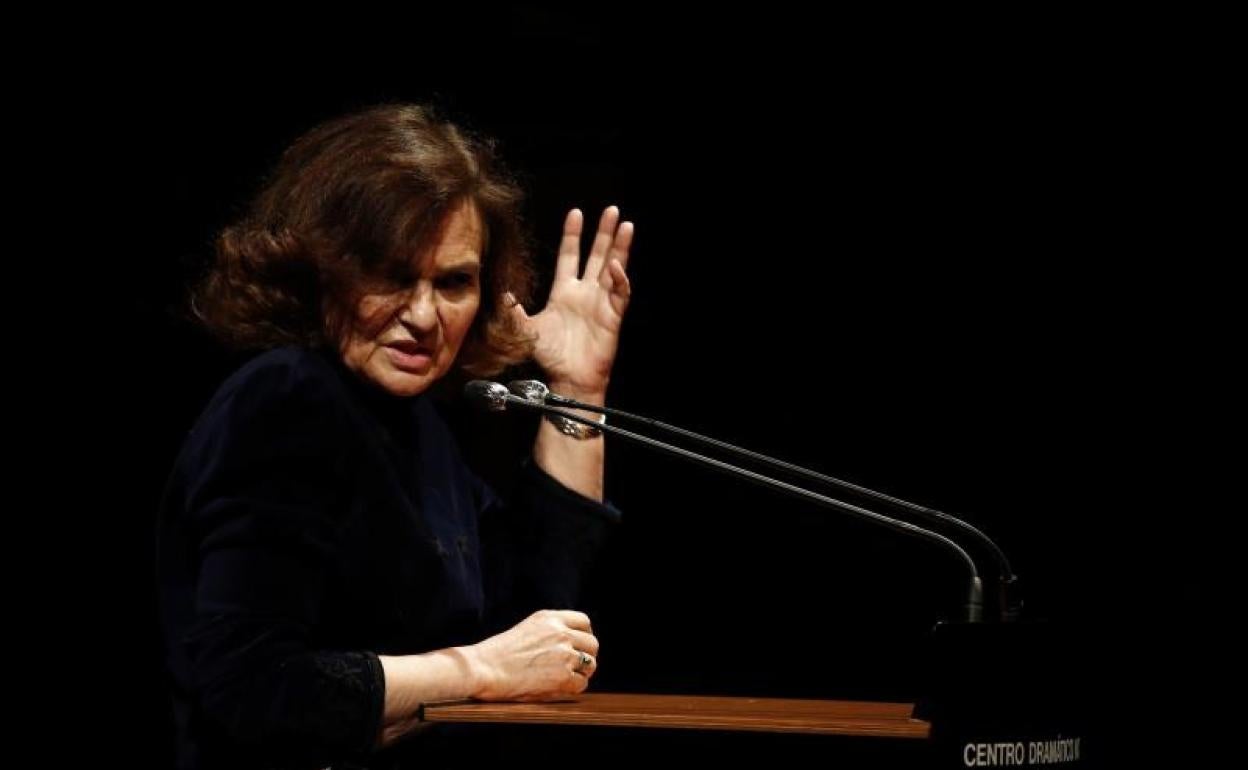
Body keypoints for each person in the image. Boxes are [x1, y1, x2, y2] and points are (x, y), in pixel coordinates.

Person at [155, 104, 634, 769]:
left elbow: (529, 630)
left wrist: (578, 389)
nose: (423, 315)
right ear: (320, 268)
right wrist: (476, 670)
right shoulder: (287, 398)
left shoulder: (416, 423)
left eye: (454, 282)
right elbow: (252, 686)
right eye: (392, 275)